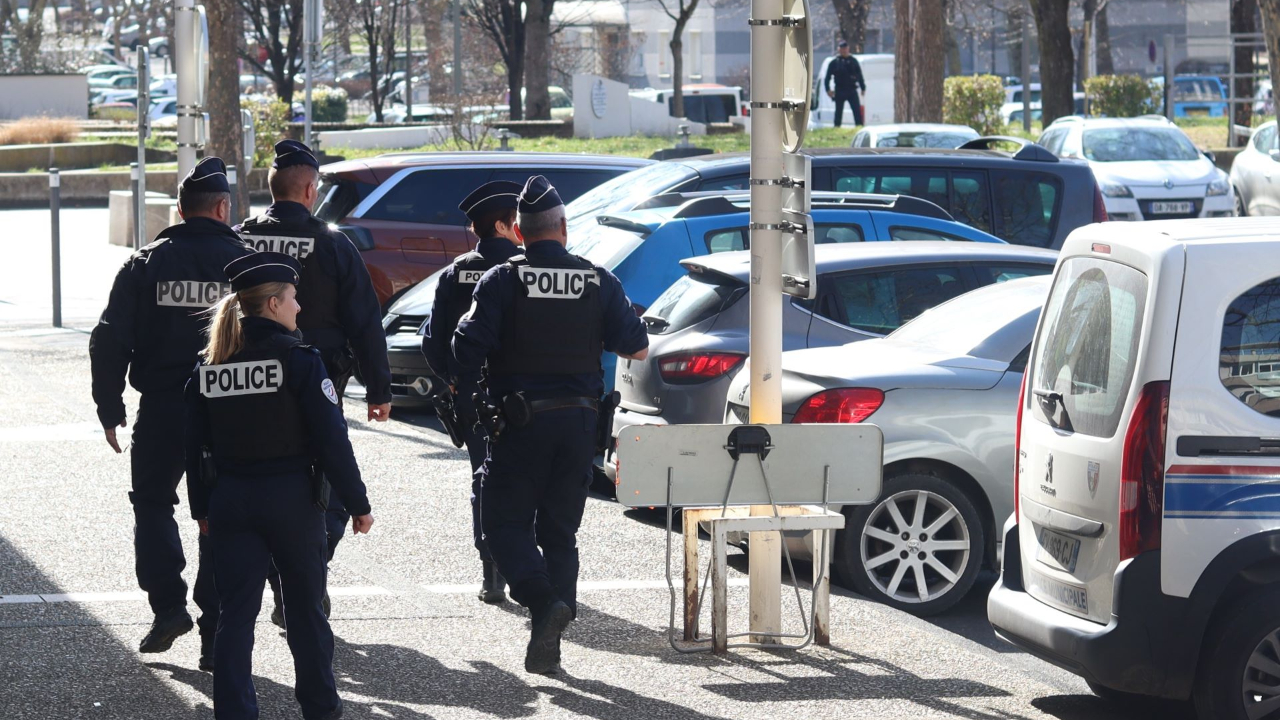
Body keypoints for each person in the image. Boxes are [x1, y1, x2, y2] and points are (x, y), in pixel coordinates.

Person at [452, 175, 649, 675]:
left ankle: (542, 603)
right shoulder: (599, 280)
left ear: (518, 231)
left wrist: (478, 389)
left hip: (520, 424)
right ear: (563, 227)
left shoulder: (501, 279)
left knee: (502, 525)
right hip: (580, 425)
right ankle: (550, 646)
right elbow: (636, 346)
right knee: (559, 533)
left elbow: (464, 346)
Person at [185, 251, 374, 720]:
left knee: (236, 618)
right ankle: (320, 710)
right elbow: (333, 440)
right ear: (271, 304)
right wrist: (358, 503)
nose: (299, 308)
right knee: (306, 614)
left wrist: (201, 510)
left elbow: (194, 450)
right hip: (291, 500)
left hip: (231, 500)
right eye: (292, 299)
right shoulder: (300, 360)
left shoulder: (208, 369)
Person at [89, 156, 252, 670]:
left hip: (162, 408)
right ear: (223, 207)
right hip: (231, 407)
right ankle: (214, 631)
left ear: (180, 210)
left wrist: (109, 407)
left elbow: (109, 339)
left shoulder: (147, 262)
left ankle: (168, 608)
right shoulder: (247, 265)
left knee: (154, 505)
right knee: (221, 517)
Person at [235, 139, 391, 624]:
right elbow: (365, 321)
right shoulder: (332, 242)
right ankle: (301, 579)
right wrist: (379, 389)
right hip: (318, 383)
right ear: (308, 190)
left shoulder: (240, 238)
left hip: (247, 385)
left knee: (258, 482)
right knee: (331, 488)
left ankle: (291, 581)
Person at [422, 181, 523, 605]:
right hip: (522, 396)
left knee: (484, 477)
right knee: (526, 481)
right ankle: (525, 570)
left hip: (474, 396)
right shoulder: (525, 268)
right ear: (501, 225)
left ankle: (491, 574)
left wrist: (453, 379)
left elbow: (432, 339)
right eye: (517, 222)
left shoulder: (455, 272)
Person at [824, 40, 867, 128]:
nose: (844, 51)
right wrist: (827, 89)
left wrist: (863, 87)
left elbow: (859, 75)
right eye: (842, 49)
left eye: (845, 49)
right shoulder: (835, 62)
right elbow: (827, 77)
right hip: (840, 90)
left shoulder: (853, 61)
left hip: (851, 89)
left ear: (848, 49)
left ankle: (859, 127)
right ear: (839, 50)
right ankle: (837, 127)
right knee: (838, 112)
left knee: (857, 111)